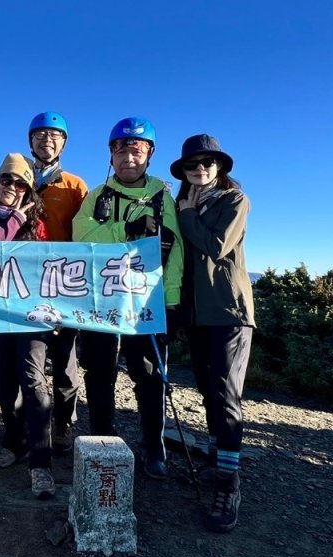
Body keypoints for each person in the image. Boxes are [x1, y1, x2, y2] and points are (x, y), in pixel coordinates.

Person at [71, 117, 184, 480]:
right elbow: (81, 237)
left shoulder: (163, 200)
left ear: (149, 154)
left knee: (149, 376)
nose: (128, 158)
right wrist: (127, 230)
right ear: (111, 155)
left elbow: (176, 251)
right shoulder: (96, 197)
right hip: (102, 301)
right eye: (121, 150)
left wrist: (172, 301)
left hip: (146, 302)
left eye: (136, 150)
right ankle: (102, 440)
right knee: (99, 372)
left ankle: (154, 448)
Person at [0, 111, 88, 453]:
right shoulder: (20, 180)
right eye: (40, 135)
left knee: (65, 366)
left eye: (54, 136)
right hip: (15, 295)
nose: (47, 141)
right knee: (26, 370)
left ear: (64, 143)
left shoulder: (75, 186)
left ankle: (63, 426)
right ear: (30, 141)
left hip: (62, 287)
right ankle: (23, 435)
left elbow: (85, 236)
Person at [170, 134, 254, 533]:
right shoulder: (185, 203)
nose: (200, 168)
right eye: (192, 164)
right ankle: (220, 459)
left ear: (220, 167)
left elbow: (216, 245)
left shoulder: (233, 201)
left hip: (228, 311)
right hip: (198, 314)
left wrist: (186, 217)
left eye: (208, 162)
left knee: (225, 394)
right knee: (207, 388)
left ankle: (229, 483)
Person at [0, 153, 58, 498]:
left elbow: (47, 266)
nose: (13, 187)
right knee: (5, 378)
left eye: (21, 183)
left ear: (29, 189)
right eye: (7, 180)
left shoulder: (39, 224)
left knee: (33, 379)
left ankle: (41, 462)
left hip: (30, 315)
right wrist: (11, 221)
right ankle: (14, 441)